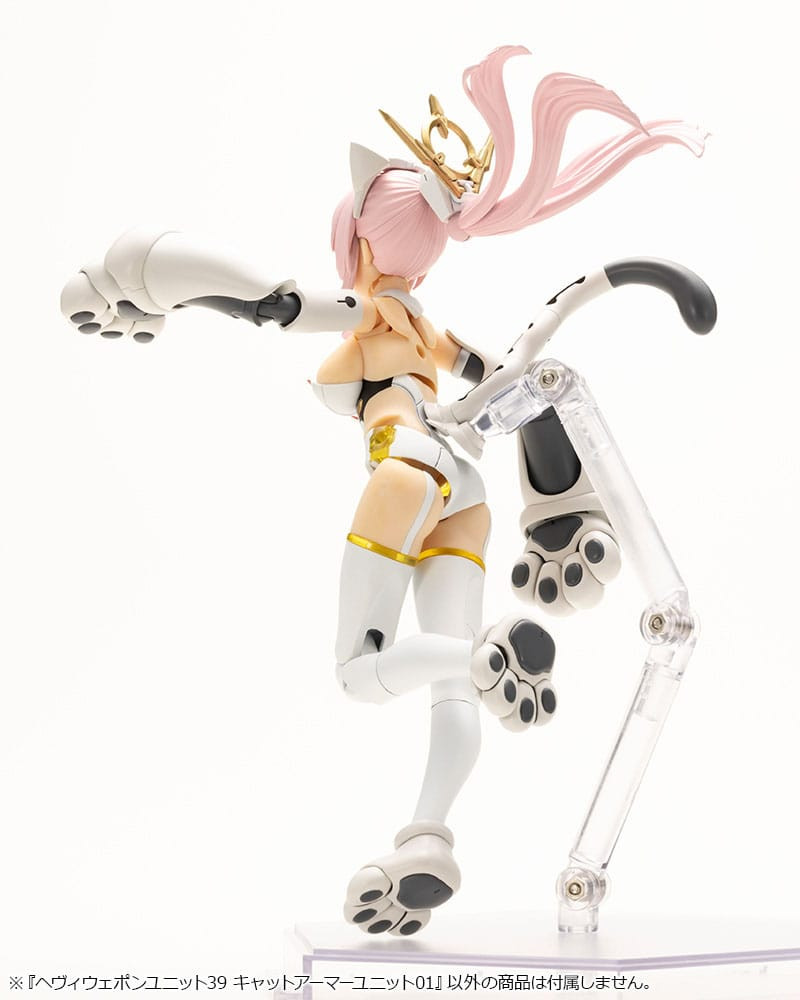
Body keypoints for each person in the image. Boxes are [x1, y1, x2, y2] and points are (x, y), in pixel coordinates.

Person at [60, 44, 706, 936]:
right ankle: (428, 837)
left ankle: (483, 655)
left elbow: (273, 304)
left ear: (358, 240)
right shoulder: (430, 329)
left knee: (364, 674)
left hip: (406, 468)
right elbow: (514, 373)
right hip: (465, 486)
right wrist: (605, 286)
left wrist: (138, 277)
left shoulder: (367, 314)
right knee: (451, 691)